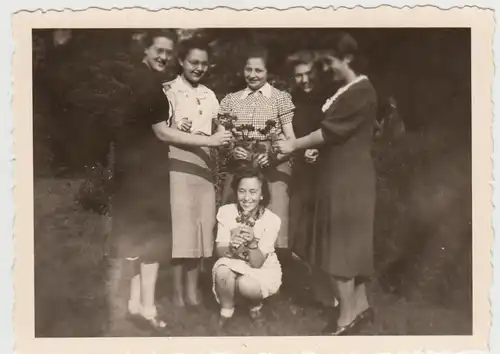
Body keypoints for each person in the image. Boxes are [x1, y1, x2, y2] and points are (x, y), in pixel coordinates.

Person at [107, 30, 232, 333]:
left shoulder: (139, 80)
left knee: (139, 239)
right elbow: (163, 133)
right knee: (152, 242)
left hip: (135, 169)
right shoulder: (150, 84)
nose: (162, 57)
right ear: (145, 50)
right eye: (158, 50)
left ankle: (135, 305)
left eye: (167, 51)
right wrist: (213, 141)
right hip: (145, 171)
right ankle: (148, 310)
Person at [274, 32, 377, 335]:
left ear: (348, 59)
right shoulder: (347, 89)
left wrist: (294, 145)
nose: (327, 69)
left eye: (330, 62)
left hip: (348, 176)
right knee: (345, 242)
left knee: (340, 246)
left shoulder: (361, 91)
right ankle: (360, 308)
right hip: (339, 172)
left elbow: (330, 131)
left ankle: (345, 318)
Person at [218, 45, 295, 254]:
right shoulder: (231, 100)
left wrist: (273, 156)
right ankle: (235, 270)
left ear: (268, 72)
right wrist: (232, 149)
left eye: (259, 70)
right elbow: (221, 139)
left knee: (272, 219)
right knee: (235, 216)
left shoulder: (280, 98)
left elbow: (291, 141)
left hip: (273, 163)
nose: (252, 75)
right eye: (248, 69)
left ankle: (271, 277)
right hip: (240, 165)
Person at [163, 38, 221, 307]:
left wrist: (223, 136)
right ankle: (177, 296)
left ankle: (193, 292)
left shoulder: (209, 94)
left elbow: (220, 127)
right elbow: (161, 130)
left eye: (204, 63)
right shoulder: (168, 90)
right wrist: (175, 124)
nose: (199, 68)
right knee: (181, 229)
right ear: (181, 62)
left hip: (205, 163)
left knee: (200, 226)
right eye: (193, 62)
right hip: (180, 162)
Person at [212, 166, 282, 327]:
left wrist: (251, 243)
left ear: (262, 194)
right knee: (222, 272)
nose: (247, 198)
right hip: (234, 260)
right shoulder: (226, 212)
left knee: (246, 284)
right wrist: (231, 246)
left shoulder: (272, 220)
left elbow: (257, 263)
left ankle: (255, 306)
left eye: (253, 191)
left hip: (261, 266)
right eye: (242, 191)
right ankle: (226, 310)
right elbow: (220, 251)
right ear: (236, 192)